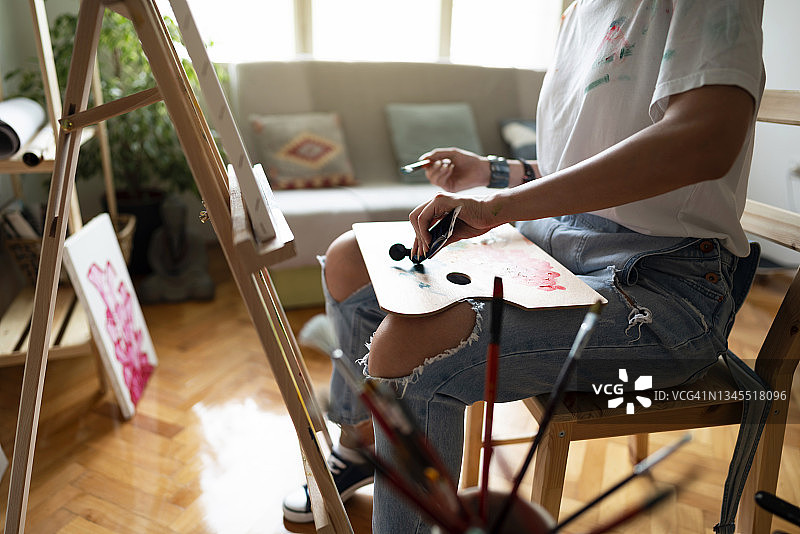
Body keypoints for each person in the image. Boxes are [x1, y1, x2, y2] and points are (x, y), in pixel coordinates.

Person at [282, 1, 765, 532]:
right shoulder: (580, 10)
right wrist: (491, 171)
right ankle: (357, 445)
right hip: (555, 246)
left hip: (661, 285)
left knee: (410, 344)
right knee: (352, 257)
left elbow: (705, 139)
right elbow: (579, 169)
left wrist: (495, 208)